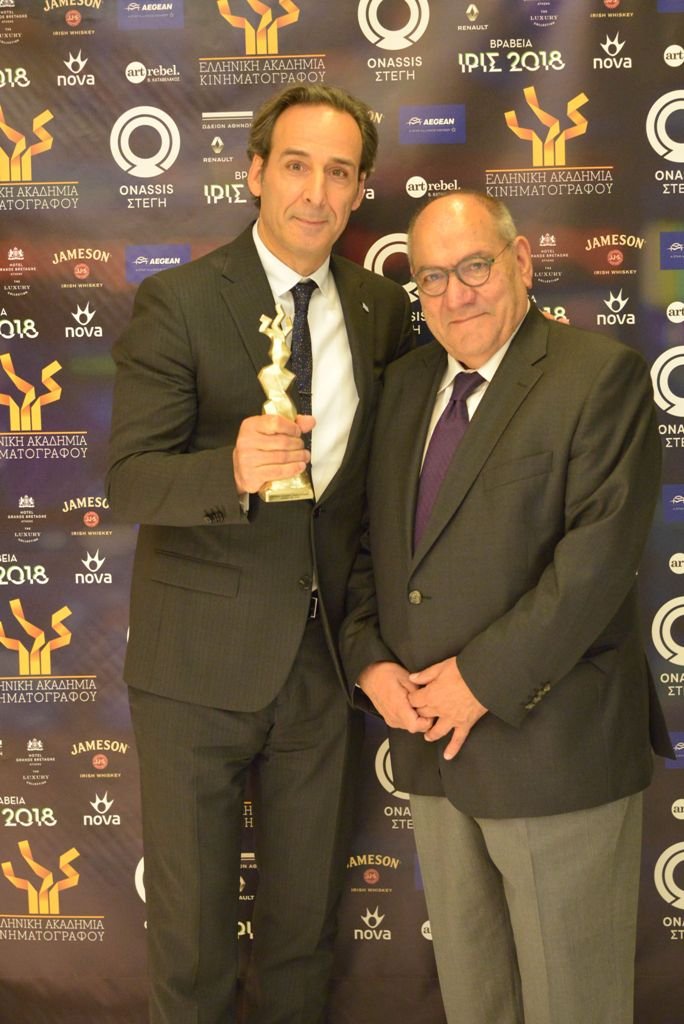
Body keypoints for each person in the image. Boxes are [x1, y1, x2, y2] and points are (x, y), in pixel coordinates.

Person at [106, 84, 412, 1024]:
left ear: (359, 189)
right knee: (194, 948)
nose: (316, 192)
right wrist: (229, 470)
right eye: (296, 165)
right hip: (194, 672)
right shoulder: (182, 301)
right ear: (254, 173)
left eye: (339, 172)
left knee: (301, 940)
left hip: (323, 670)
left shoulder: (381, 309)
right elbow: (130, 483)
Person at [340, 191, 672, 1024]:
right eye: (433, 278)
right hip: (434, 754)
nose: (456, 295)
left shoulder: (598, 376)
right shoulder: (402, 388)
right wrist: (370, 660)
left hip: (555, 749)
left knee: (574, 1007)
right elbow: (367, 546)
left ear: (520, 262)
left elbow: (594, 566)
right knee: (474, 1004)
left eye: (475, 267)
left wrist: (479, 681)